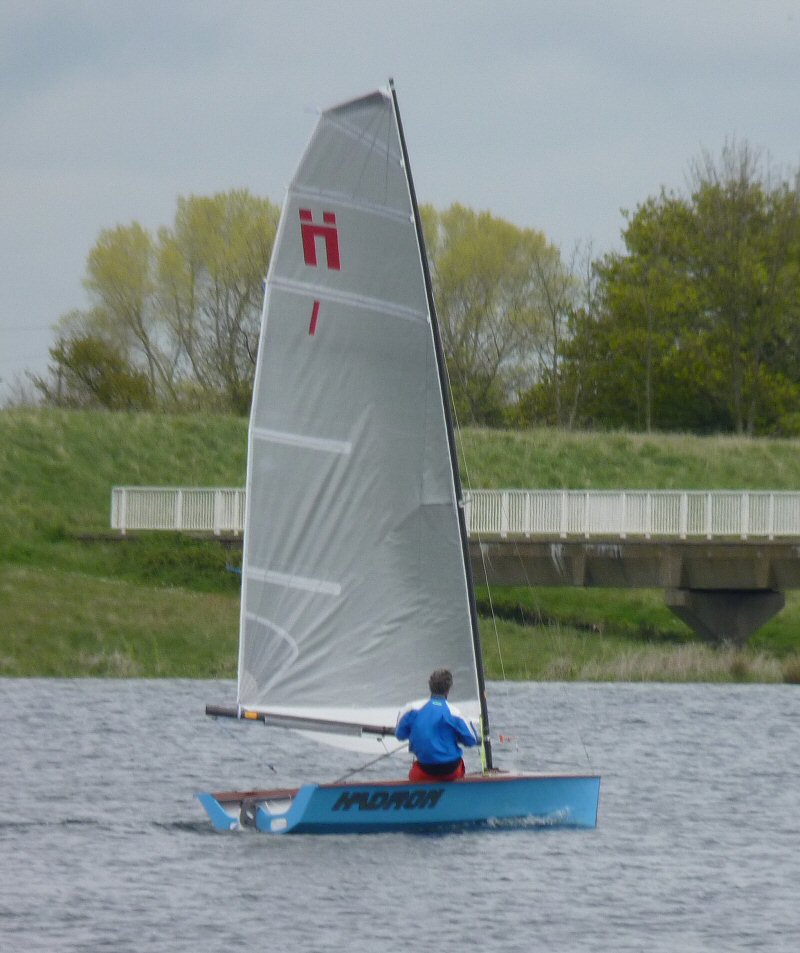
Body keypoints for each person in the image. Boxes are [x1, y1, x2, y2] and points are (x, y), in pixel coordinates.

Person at [395, 669, 480, 782]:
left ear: (430, 686)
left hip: (424, 769)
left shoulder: (411, 709)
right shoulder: (455, 713)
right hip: (451, 770)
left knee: (416, 770)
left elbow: (400, 735)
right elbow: (471, 740)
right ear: (449, 689)